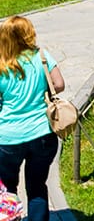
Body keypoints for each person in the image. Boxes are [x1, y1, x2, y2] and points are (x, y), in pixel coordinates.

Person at [0, 15, 65, 221]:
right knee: (37, 187)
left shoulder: (2, 63)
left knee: (8, 189)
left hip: (7, 139)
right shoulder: (42, 57)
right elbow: (60, 84)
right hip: (42, 133)